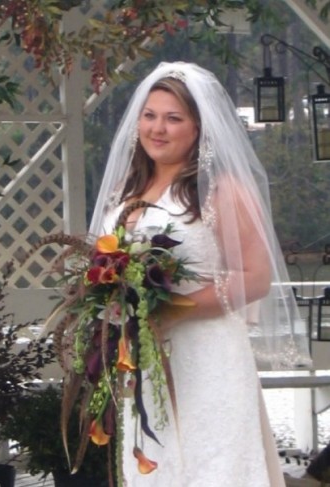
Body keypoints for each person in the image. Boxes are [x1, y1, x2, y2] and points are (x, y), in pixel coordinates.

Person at [89, 62, 312, 486]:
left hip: (207, 356)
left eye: (173, 118)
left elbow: (255, 276)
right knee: (156, 467)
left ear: (198, 127)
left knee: (214, 465)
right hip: (145, 361)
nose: (158, 128)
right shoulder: (126, 190)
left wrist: (172, 309)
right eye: (150, 115)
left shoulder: (220, 189)